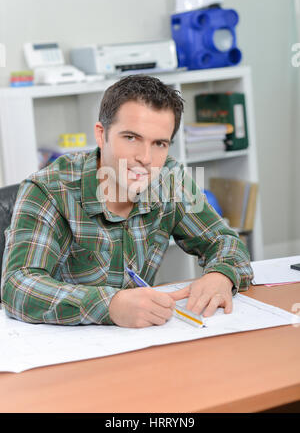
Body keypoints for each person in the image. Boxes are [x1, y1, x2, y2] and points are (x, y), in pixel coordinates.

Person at [1, 75, 253, 328]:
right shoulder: (47, 189)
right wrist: (109, 305)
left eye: (159, 143)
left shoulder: (169, 179)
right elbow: (17, 285)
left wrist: (222, 275)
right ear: (101, 135)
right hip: (62, 350)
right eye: (131, 137)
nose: (145, 158)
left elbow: (224, 241)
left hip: (140, 343)